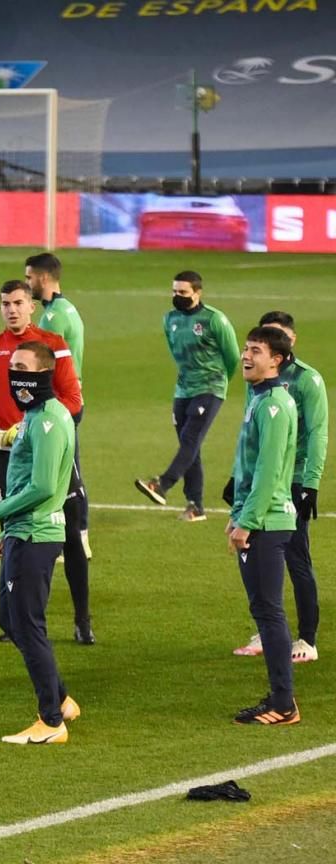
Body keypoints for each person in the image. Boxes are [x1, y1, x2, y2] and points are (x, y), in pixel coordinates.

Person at [0, 280, 92, 644]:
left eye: (18, 302)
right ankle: (13, 622)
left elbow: (73, 400)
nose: (11, 310)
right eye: (5, 303)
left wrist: (32, 427)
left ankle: (82, 618)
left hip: (48, 449)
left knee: (72, 534)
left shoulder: (52, 346)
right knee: (12, 533)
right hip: (7, 453)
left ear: (32, 305)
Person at [0, 342, 81, 744]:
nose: (15, 373)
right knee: (10, 619)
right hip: (23, 531)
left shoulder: (49, 420)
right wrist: (8, 529)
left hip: (37, 531)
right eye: (12, 366)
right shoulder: (35, 417)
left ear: (43, 374)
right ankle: (62, 699)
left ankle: (51, 720)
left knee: (28, 624)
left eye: (23, 367)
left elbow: (42, 485)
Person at [231, 312, 327, 664]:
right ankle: (271, 629)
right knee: (264, 557)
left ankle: (307, 638)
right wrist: (236, 476)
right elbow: (248, 433)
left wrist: (310, 483)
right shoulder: (257, 383)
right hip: (263, 477)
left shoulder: (307, 381)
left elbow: (317, 431)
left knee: (295, 556)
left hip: (294, 477)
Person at [225, 325, 300, 726]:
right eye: (246, 348)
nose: (247, 356)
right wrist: (236, 515)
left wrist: (247, 522)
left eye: (256, 350)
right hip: (257, 518)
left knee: (269, 611)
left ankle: (284, 703)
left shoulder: (273, 405)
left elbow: (269, 471)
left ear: (277, 359)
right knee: (263, 610)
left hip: (267, 521)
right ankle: (279, 697)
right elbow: (248, 469)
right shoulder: (259, 399)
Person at [135, 270, 239, 521]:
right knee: (189, 446)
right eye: (174, 292)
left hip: (210, 387)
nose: (177, 296)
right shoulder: (169, 319)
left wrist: (218, 382)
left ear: (197, 293)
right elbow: (175, 352)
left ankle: (162, 484)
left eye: (183, 292)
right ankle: (196, 506)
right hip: (183, 389)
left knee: (191, 439)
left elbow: (233, 356)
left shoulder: (214, 319)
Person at [25, 252, 92, 560]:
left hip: (61, 402)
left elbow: (45, 361)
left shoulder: (53, 317)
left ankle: (75, 538)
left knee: (66, 472)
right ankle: (77, 537)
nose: (28, 284)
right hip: (67, 399)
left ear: (43, 278)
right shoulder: (65, 308)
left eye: (29, 278)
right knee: (67, 469)